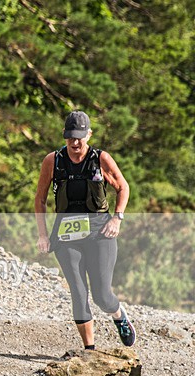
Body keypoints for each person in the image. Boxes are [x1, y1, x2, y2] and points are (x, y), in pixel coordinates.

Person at [35, 110, 136, 350]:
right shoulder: (53, 160)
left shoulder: (101, 158)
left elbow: (123, 187)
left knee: (101, 295)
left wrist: (117, 218)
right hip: (66, 234)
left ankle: (119, 315)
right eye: (70, 136)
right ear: (64, 135)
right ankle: (89, 349)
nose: (75, 142)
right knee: (79, 292)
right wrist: (42, 234)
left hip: (100, 232)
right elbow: (40, 199)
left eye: (80, 136)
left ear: (89, 134)